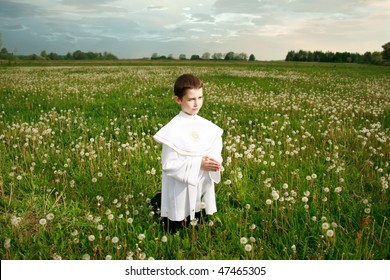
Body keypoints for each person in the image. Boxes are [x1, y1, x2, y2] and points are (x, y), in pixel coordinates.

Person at [153, 74, 223, 232]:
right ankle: (162, 205)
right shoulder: (172, 130)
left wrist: (214, 162)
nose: (197, 103)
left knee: (200, 218)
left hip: (201, 183)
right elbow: (168, 165)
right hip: (180, 187)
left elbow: (216, 146)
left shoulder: (207, 126)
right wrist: (199, 164)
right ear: (178, 100)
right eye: (191, 99)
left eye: (200, 97)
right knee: (176, 225)